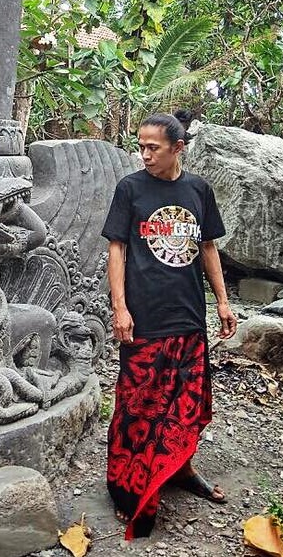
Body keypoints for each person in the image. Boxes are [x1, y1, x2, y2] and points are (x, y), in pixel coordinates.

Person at [101, 111, 238, 539]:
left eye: (152, 148)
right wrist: (120, 308)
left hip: (188, 316)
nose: (143, 154)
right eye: (140, 146)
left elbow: (208, 248)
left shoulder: (198, 189)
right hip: (145, 318)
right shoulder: (131, 189)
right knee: (138, 405)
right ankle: (128, 487)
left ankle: (181, 469)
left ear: (178, 148)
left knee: (185, 404)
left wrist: (222, 301)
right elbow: (117, 251)